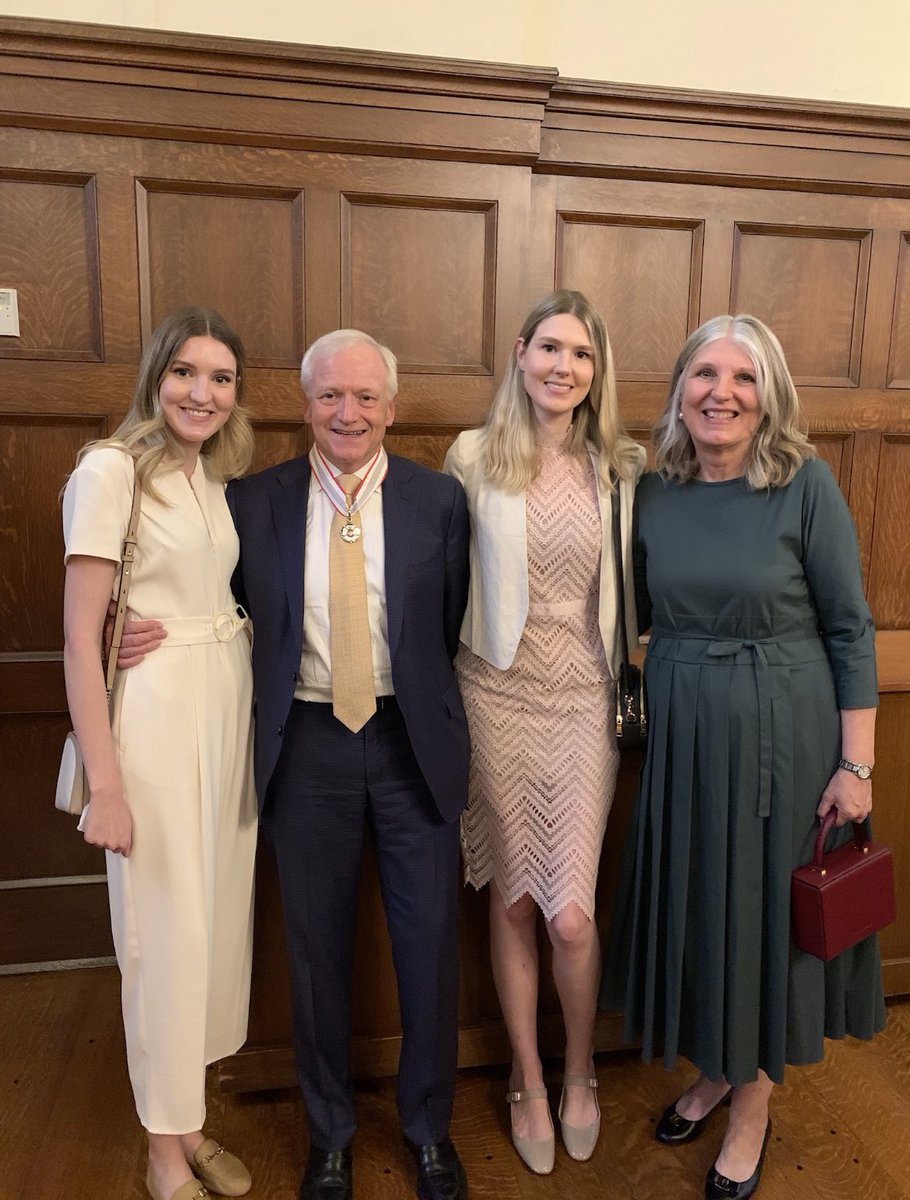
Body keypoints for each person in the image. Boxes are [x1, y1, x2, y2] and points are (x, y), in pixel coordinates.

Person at [602, 313, 884, 1199]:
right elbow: (627, 610)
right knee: (700, 906)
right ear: (680, 388)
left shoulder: (807, 483)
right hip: (685, 728)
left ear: (769, 398)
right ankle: (717, 1068)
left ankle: (753, 1101)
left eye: (744, 377)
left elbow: (850, 627)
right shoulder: (653, 491)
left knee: (760, 912)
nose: (721, 392)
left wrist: (857, 766)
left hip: (782, 731)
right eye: (705, 374)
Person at [226, 329, 470, 1200]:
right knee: (316, 950)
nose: (348, 412)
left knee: (430, 946)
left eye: (366, 397)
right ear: (305, 404)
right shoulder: (252, 502)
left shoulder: (440, 501)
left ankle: (428, 1131)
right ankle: (329, 1135)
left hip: (413, 745)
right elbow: (227, 616)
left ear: (392, 409)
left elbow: (445, 627)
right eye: (331, 395)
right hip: (308, 744)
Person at [443, 290, 645, 1174]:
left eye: (583, 355)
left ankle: (579, 1068)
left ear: (597, 374)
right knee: (514, 899)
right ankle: (526, 1074)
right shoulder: (473, 457)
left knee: (569, 912)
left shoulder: (623, 467)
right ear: (521, 354)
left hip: (582, 703)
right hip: (493, 695)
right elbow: (436, 575)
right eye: (551, 348)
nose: (564, 367)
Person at [62, 307, 258, 1200]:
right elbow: (76, 641)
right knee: (162, 936)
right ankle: (161, 1147)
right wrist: (106, 786)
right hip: (154, 724)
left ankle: (190, 1118)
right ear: (155, 376)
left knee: (213, 928)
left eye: (220, 378)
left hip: (224, 710)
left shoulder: (210, 476)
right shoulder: (112, 471)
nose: (202, 392)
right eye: (186, 372)